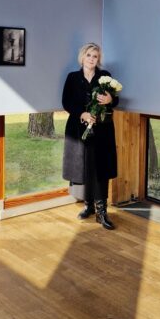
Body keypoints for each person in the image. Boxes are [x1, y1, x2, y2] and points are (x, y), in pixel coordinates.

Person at [62, 43, 118, 230]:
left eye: (95, 56)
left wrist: (110, 99)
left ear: (98, 59)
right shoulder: (72, 77)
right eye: (89, 55)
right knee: (83, 167)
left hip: (102, 130)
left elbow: (115, 100)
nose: (91, 59)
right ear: (82, 57)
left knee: (100, 168)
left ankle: (102, 212)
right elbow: (66, 102)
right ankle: (88, 206)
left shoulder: (105, 76)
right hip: (78, 130)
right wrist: (82, 114)